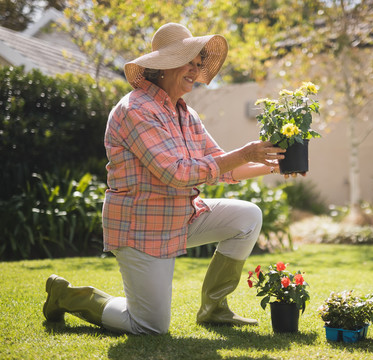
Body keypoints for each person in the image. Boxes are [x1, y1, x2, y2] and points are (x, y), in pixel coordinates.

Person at [42, 23, 293, 334]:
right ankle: (67, 295)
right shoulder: (136, 109)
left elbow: (223, 167)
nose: (195, 68)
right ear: (162, 66)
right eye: (188, 60)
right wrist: (245, 153)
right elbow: (177, 174)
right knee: (149, 326)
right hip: (142, 228)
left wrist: (274, 165)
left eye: (198, 62)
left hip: (180, 217)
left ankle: (214, 308)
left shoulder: (186, 114)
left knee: (248, 217)